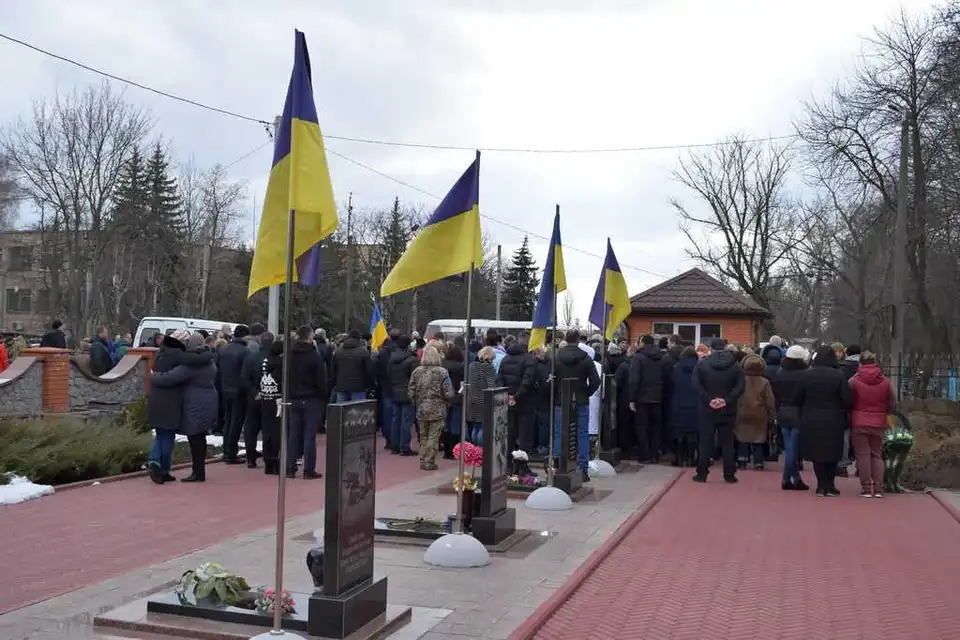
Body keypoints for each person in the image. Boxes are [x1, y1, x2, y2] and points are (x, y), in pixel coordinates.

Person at [145, 330, 215, 484]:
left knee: (162, 434)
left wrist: (153, 376)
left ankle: (159, 465)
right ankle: (160, 467)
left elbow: (170, 376)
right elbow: (173, 377)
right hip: (175, 402)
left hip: (158, 400)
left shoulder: (161, 354)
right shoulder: (188, 359)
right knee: (169, 435)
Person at [793, 346, 852, 497]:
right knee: (832, 452)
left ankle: (821, 486)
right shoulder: (839, 376)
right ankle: (830, 485)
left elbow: (797, 398)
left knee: (817, 453)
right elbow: (847, 400)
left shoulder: (806, 375)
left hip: (811, 418)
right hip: (834, 419)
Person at [692, 338, 745, 484]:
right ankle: (729, 474)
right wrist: (726, 400)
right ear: (725, 348)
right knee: (728, 442)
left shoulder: (702, 365)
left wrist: (708, 399)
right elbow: (740, 387)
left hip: (706, 409)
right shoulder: (736, 366)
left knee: (705, 442)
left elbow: (695, 385)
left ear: (711, 348)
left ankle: (702, 473)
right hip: (728, 409)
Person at [552, 330, 601, 483]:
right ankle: (583, 469)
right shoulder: (586, 358)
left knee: (559, 433)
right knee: (582, 434)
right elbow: (596, 381)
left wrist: (556, 395)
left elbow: (551, 380)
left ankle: (558, 465)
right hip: (580, 400)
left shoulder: (556, 358)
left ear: (566, 339)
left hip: (561, 400)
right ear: (578, 340)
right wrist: (586, 393)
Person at [848, 350, 896, 497]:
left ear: (860, 363)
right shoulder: (886, 382)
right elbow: (892, 402)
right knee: (877, 454)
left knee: (863, 455)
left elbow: (848, 401)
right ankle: (879, 488)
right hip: (878, 422)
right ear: (875, 362)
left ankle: (866, 488)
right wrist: (886, 412)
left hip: (859, 421)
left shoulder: (853, 381)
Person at [287, 326, 327, 479]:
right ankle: (308, 469)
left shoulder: (290, 355)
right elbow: (321, 380)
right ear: (310, 338)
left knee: (294, 434)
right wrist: (323, 396)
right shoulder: (314, 356)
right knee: (309, 435)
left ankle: (290, 467)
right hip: (312, 398)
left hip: (294, 398)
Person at [408, 345, 454, 470]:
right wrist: (447, 401)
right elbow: (448, 392)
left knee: (423, 436)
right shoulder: (442, 372)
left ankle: (423, 459)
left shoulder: (417, 372)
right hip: (437, 409)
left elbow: (411, 391)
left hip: (421, 408)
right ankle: (429, 460)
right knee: (434, 436)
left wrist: (416, 402)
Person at [772, 346, 810, 491]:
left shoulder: (780, 373)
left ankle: (795, 478)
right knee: (793, 449)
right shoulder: (805, 374)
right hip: (798, 412)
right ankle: (787, 479)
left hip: (783, 410)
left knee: (789, 447)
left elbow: (776, 394)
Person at [628, 334, 669, 462]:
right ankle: (655, 454)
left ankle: (645, 455)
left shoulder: (638, 358)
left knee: (641, 426)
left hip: (642, 397)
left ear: (643, 343)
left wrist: (631, 398)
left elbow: (634, 379)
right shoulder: (662, 357)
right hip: (658, 396)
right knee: (656, 427)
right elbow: (666, 377)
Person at [734, 354, 776, 470]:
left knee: (742, 437)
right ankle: (758, 462)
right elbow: (770, 401)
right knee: (758, 438)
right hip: (759, 413)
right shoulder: (765, 382)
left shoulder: (740, 381)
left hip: (742, 412)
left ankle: (742, 460)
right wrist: (772, 416)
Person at [217, 324, 251, 463]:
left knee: (228, 419)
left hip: (225, 388)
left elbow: (219, 370)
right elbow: (245, 373)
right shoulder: (245, 351)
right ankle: (231, 452)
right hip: (239, 391)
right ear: (244, 336)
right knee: (236, 422)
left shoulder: (224, 350)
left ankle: (226, 449)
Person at [240, 331, 274, 468]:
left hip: (254, 397)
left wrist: (254, 392)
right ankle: (268, 458)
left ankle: (250, 458)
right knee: (269, 429)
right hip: (270, 397)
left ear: (260, 341)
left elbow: (244, 378)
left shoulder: (251, 358)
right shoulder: (276, 359)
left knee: (251, 429)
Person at [498, 334, 536, 452]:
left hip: (507, 400)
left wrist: (507, 395)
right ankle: (522, 461)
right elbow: (527, 381)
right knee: (525, 435)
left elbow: (499, 379)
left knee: (509, 434)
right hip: (525, 401)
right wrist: (516, 396)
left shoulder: (505, 358)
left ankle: (508, 459)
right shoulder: (530, 359)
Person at [669, 346, 700, 467]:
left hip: (678, 403)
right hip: (695, 403)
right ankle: (691, 458)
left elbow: (671, 385)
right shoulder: (700, 368)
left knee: (679, 432)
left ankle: (679, 458)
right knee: (692, 432)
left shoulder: (676, 368)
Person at [388, 335, 419, 456]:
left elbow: (388, 374)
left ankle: (394, 446)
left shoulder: (392, 358)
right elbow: (415, 378)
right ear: (408, 344)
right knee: (406, 421)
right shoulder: (412, 359)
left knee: (395, 420)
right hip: (407, 392)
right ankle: (404, 446)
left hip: (394, 390)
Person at [259, 340, 284, 475]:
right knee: (276, 431)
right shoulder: (281, 364)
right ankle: (276, 462)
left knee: (267, 430)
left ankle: (267, 462)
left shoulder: (265, 361)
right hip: (277, 400)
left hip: (265, 398)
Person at [466, 346, 500, 445]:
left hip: (472, 399)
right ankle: (481, 449)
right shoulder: (488, 367)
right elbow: (491, 385)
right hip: (484, 400)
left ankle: (475, 448)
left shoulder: (471, 366)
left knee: (475, 427)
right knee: (483, 427)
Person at [331, 329, 374, 403]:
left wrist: (334, 384)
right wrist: (371, 386)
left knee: (341, 409)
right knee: (358, 409)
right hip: (358, 387)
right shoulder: (363, 352)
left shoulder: (338, 352)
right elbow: (369, 371)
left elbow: (333, 370)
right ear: (359, 339)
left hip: (341, 386)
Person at [441, 342, 466, 459]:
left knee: (446, 424)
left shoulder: (442, 366)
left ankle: (446, 451)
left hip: (445, 397)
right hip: (457, 397)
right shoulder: (462, 367)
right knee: (455, 425)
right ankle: (454, 451)